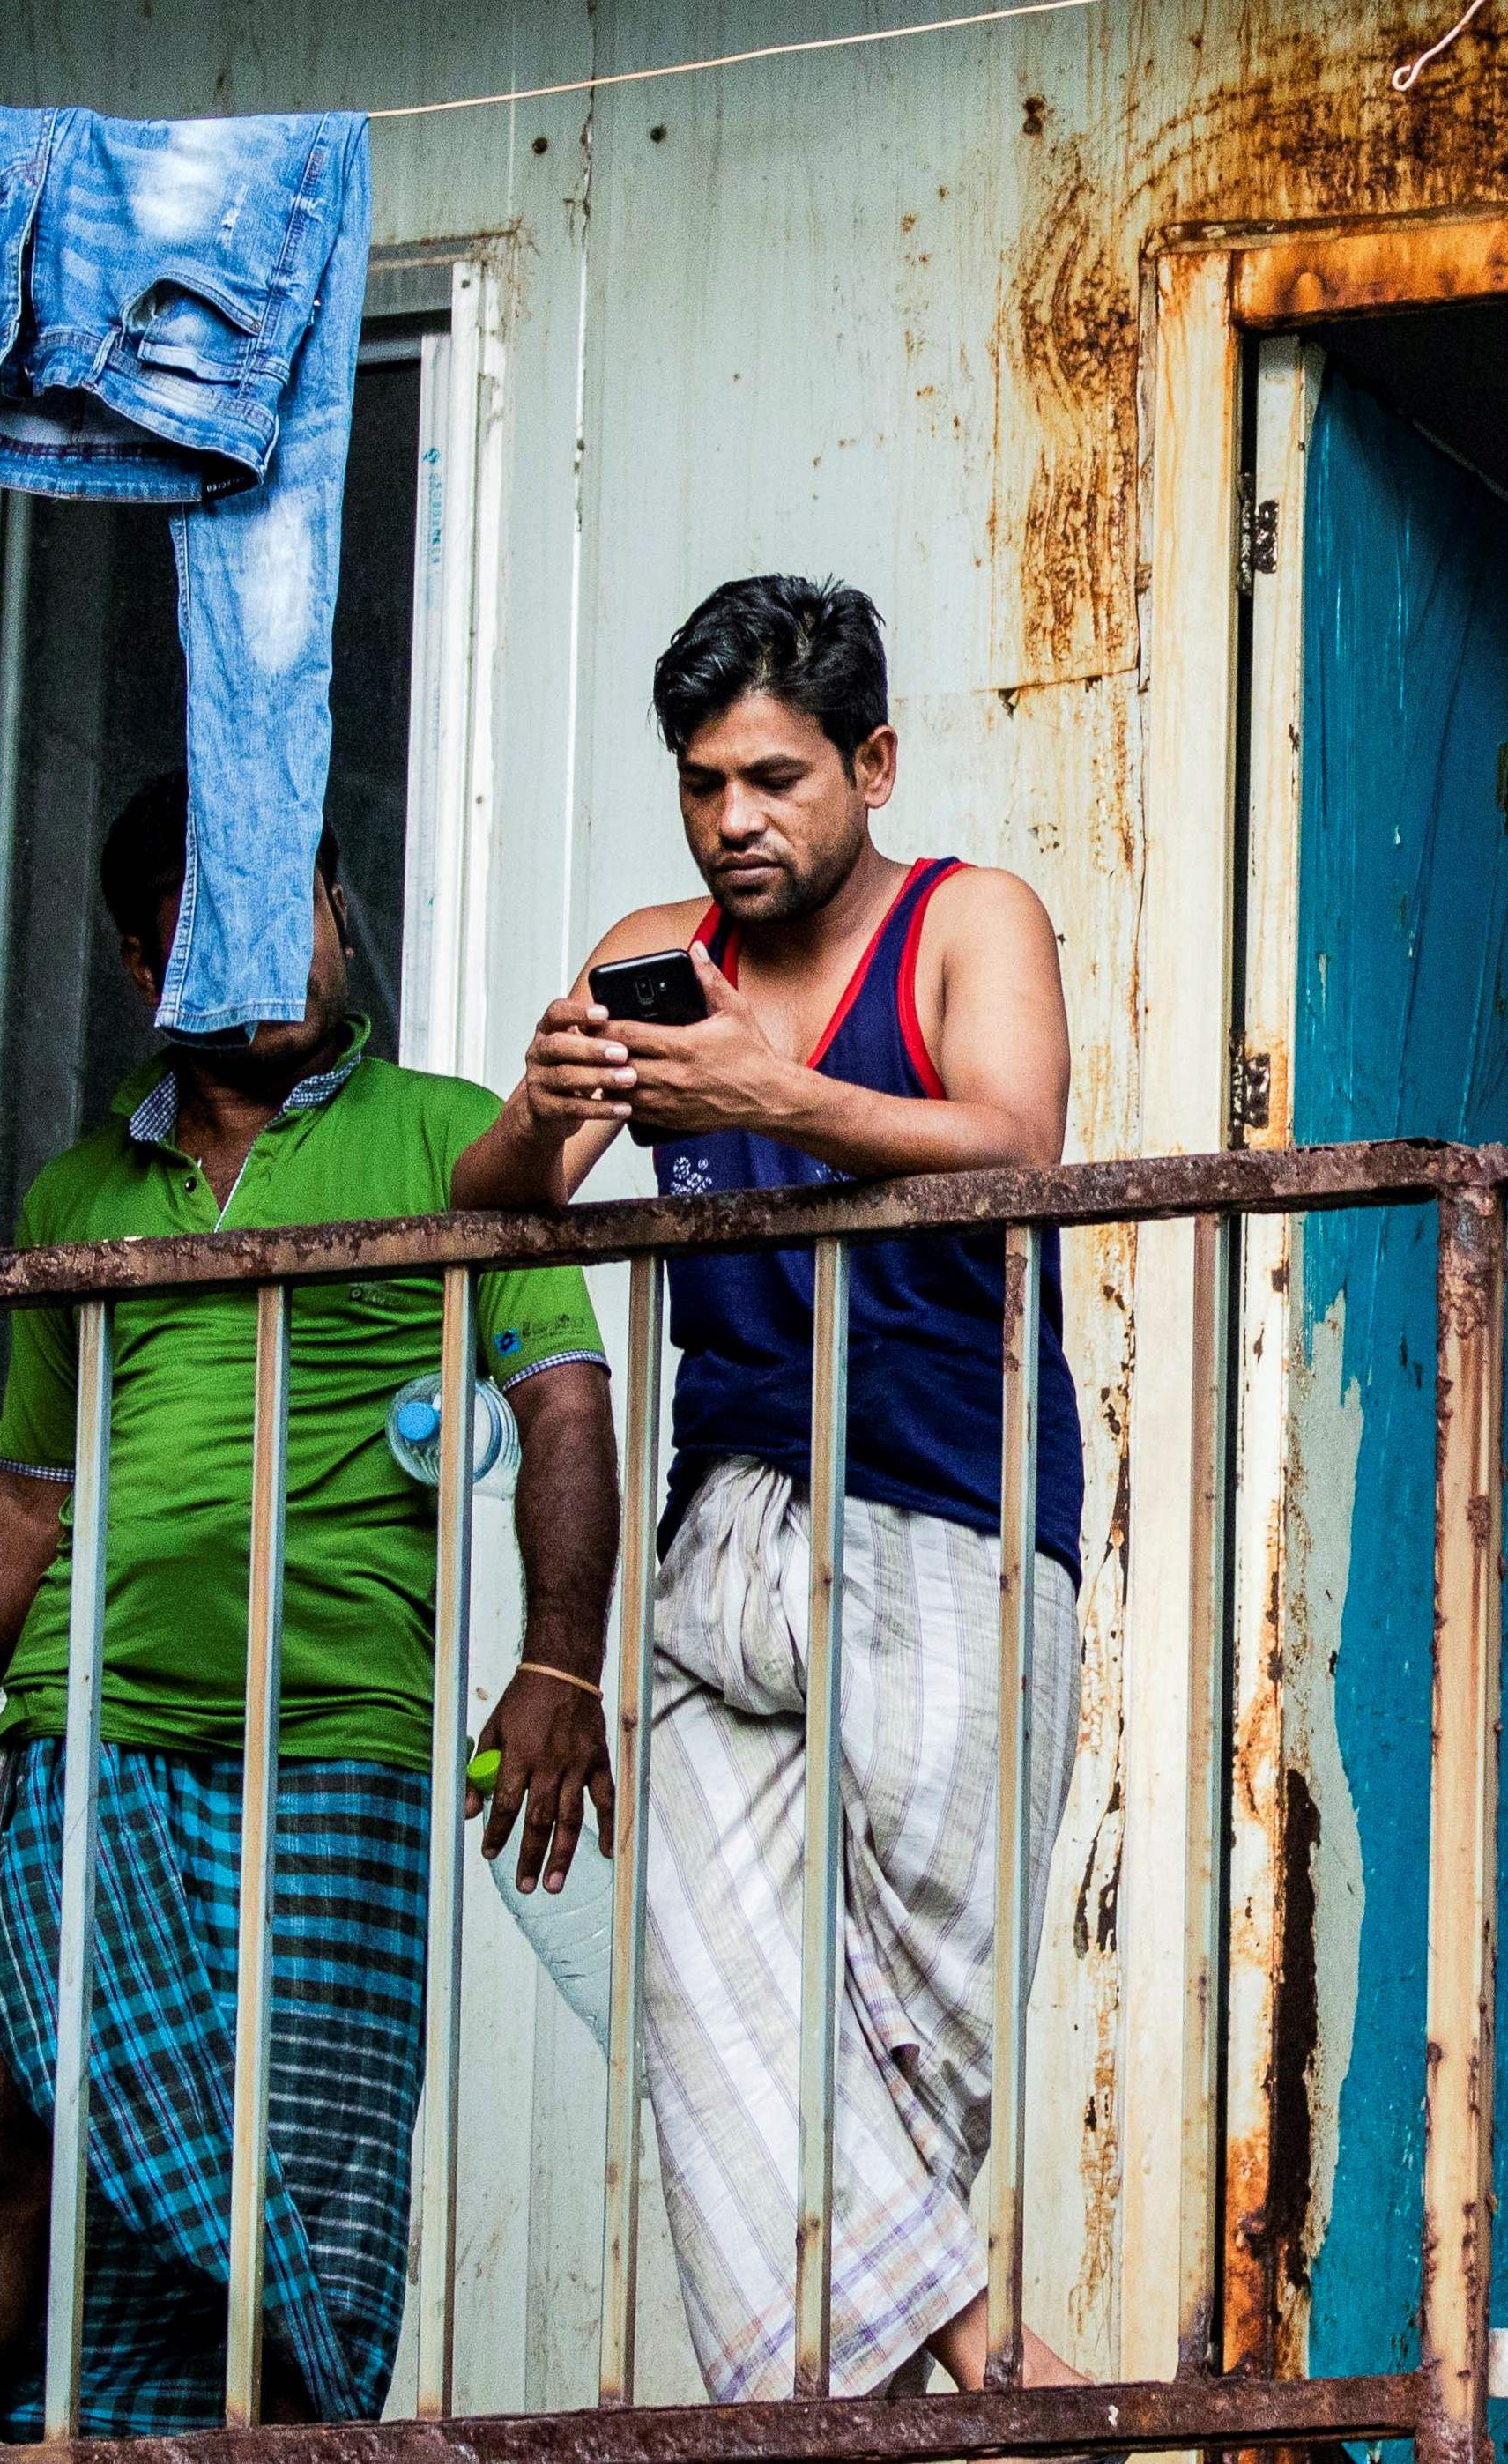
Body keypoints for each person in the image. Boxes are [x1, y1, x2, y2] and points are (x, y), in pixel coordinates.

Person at [0, 776, 621, 2443]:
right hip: (84, 1746)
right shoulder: (75, 1200)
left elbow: (561, 1397)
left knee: (281, 2240)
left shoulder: (448, 1134)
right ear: (141, 964)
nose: (284, 946)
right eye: (224, 917)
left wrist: (557, 1662)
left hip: (335, 1760)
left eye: (302, 899)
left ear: (340, 914)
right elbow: (22, 1503)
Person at [455, 572, 1081, 2401]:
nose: (733, 821)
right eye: (702, 781)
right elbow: (507, 1200)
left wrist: (768, 1085)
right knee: (705, 1992)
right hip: (725, 1522)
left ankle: (891, 2402)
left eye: (775, 778)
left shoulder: (972, 923)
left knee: (919, 2033)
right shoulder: (658, 944)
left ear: (871, 765)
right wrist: (544, 1093)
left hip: (947, 1514)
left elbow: (1014, 1142)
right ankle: (983, 2345)